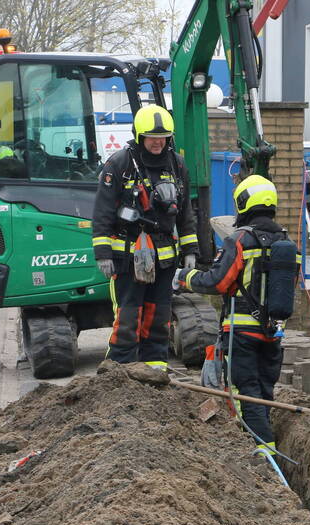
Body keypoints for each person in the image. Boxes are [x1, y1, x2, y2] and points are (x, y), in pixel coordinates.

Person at [176, 175, 299, 457]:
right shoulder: (286, 241)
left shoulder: (240, 240)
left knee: (246, 394)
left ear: (243, 203)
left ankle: (264, 455)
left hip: (241, 333)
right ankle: (265, 446)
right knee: (264, 391)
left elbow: (216, 283)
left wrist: (184, 277)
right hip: (273, 332)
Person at [91, 104, 199, 370]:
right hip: (127, 257)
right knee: (129, 315)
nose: (157, 142)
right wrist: (103, 253)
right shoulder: (120, 164)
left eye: (162, 137)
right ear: (139, 136)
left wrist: (190, 250)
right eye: (152, 137)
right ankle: (121, 369)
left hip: (163, 258)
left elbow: (185, 211)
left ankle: (155, 369)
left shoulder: (177, 164)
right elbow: (103, 211)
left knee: (158, 314)